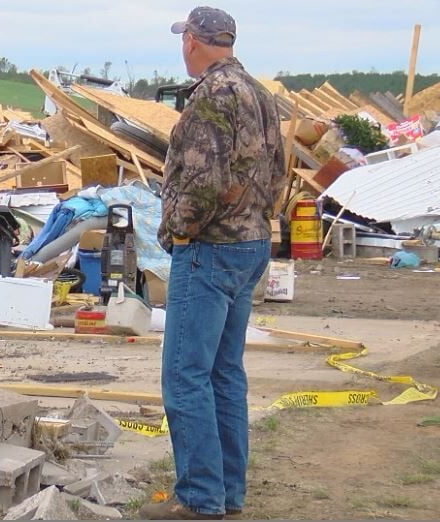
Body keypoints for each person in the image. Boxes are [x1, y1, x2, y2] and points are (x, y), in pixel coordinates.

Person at [139, 6, 286, 520]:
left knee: (186, 376)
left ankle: (201, 497)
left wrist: (181, 229)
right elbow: (280, 170)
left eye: (184, 39)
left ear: (193, 43)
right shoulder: (261, 95)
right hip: (250, 244)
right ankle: (228, 493)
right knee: (224, 373)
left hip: (210, 248)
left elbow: (200, 180)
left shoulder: (210, 98)